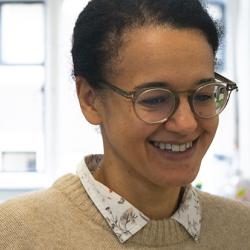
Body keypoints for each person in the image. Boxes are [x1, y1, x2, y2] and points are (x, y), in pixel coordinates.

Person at [1, 0, 250, 249]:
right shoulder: (17, 234)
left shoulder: (240, 230)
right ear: (91, 100)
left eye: (203, 95)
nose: (185, 123)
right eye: (155, 98)